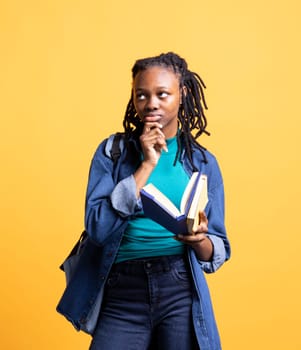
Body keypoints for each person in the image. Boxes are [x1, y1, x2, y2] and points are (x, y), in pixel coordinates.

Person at [57, 52, 230, 349]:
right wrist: (146, 165)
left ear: (182, 94)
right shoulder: (112, 152)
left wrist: (198, 239)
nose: (151, 104)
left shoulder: (202, 162)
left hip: (179, 286)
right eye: (142, 95)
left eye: (162, 94)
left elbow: (218, 249)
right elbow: (97, 228)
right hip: (122, 289)